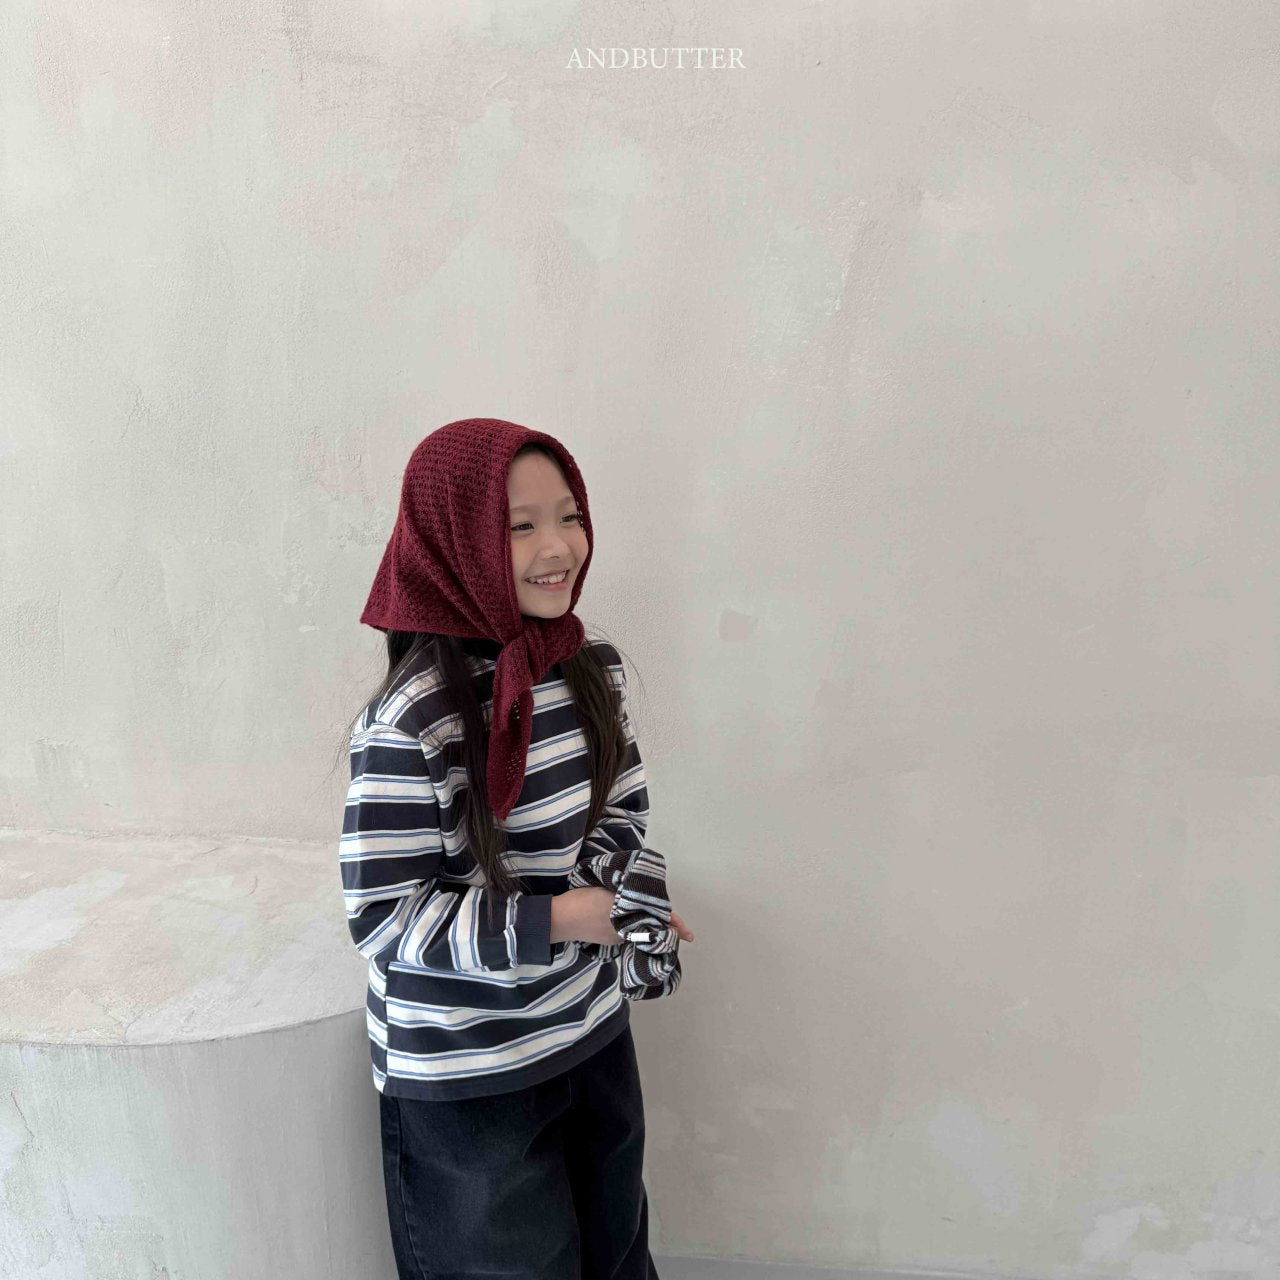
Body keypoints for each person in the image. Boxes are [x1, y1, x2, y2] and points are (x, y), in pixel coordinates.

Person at [337, 418, 694, 1280]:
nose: (558, 547)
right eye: (520, 526)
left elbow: (620, 811)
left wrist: (625, 902)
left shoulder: (590, 668)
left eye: (569, 516)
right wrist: (564, 918)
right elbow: (384, 919)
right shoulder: (413, 722)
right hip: (468, 1072)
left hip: (590, 1029)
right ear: (452, 545)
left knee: (618, 1255)